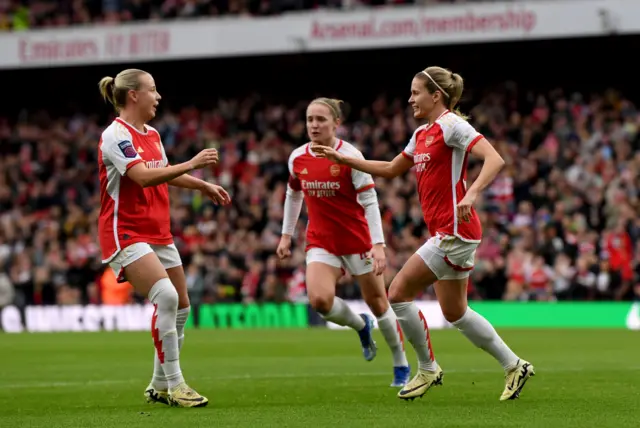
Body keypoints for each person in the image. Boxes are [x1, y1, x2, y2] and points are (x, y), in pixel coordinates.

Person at [312, 67, 535, 401]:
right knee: (455, 312)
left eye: (416, 92)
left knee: (398, 292)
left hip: (455, 232)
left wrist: (471, 194)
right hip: (453, 231)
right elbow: (390, 168)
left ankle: (428, 368)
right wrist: (344, 159)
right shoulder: (421, 134)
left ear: (436, 95)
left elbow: (494, 158)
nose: (410, 98)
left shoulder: (451, 125)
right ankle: (514, 365)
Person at [97, 68, 231, 408]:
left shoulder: (152, 133)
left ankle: (157, 384)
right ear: (134, 96)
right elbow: (142, 177)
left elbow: (162, 173)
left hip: (158, 231)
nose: (158, 97)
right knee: (166, 297)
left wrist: (202, 184)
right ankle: (177, 385)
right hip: (125, 232)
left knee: (182, 307)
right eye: (153, 90)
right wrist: (193, 164)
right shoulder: (115, 136)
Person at [277, 98, 411, 387]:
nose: (314, 124)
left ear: (336, 123)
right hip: (321, 241)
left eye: (321, 119)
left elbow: (369, 200)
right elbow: (293, 194)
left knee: (378, 301)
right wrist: (287, 235)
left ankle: (401, 362)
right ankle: (361, 325)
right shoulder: (297, 157)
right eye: (310, 119)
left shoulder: (350, 156)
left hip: (357, 241)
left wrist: (378, 244)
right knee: (320, 301)